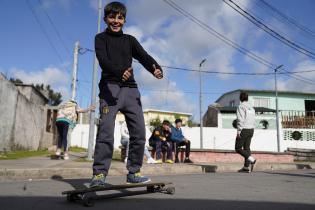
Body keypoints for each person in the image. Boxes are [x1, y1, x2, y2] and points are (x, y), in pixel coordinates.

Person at [91, 2, 163, 187]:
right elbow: (103, 60)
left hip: (131, 90)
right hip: (109, 88)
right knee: (106, 131)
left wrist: (155, 68)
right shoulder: (100, 38)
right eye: (112, 17)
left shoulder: (130, 40)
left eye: (120, 18)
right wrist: (118, 72)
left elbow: (144, 56)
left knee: (139, 132)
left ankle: (134, 172)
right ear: (106, 18)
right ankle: (99, 175)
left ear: (124, 20)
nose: (116, 21)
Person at [235, 92, 257, 173]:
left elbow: (240, 120)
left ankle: (252, 160)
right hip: (251, 129)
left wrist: (238, 131)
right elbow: (254, 119)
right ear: (247, 98)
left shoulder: (241, 106)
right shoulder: (252, 108)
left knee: (238, 148)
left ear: (240, 98)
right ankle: (246, 167)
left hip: (244, 129)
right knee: (247, 148)